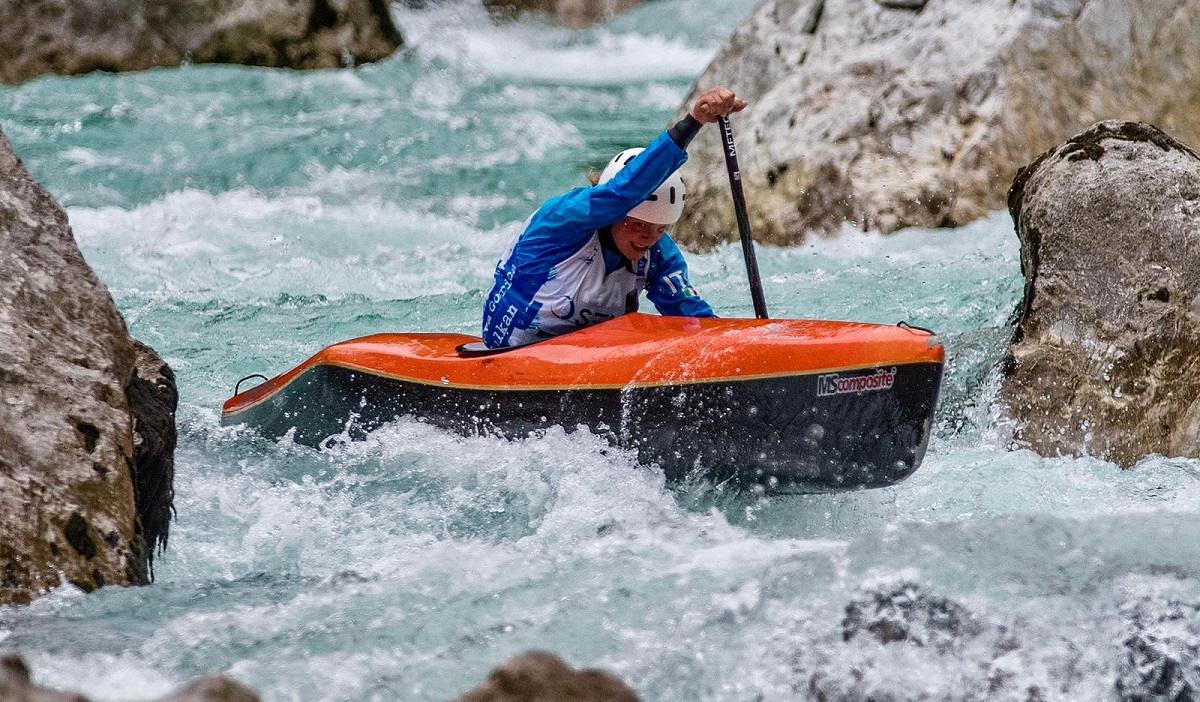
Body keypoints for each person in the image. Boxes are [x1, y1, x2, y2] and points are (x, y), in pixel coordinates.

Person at [481, 87, 748, 349]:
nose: (649, 238)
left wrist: (738, 348)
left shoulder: (657, 253)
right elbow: (620, 194)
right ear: (614, 216)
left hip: (587, 358)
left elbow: (692, 317)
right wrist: (693, 122)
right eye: (640, 224)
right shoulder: (564, 219)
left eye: (660, 229)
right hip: (509, 351)